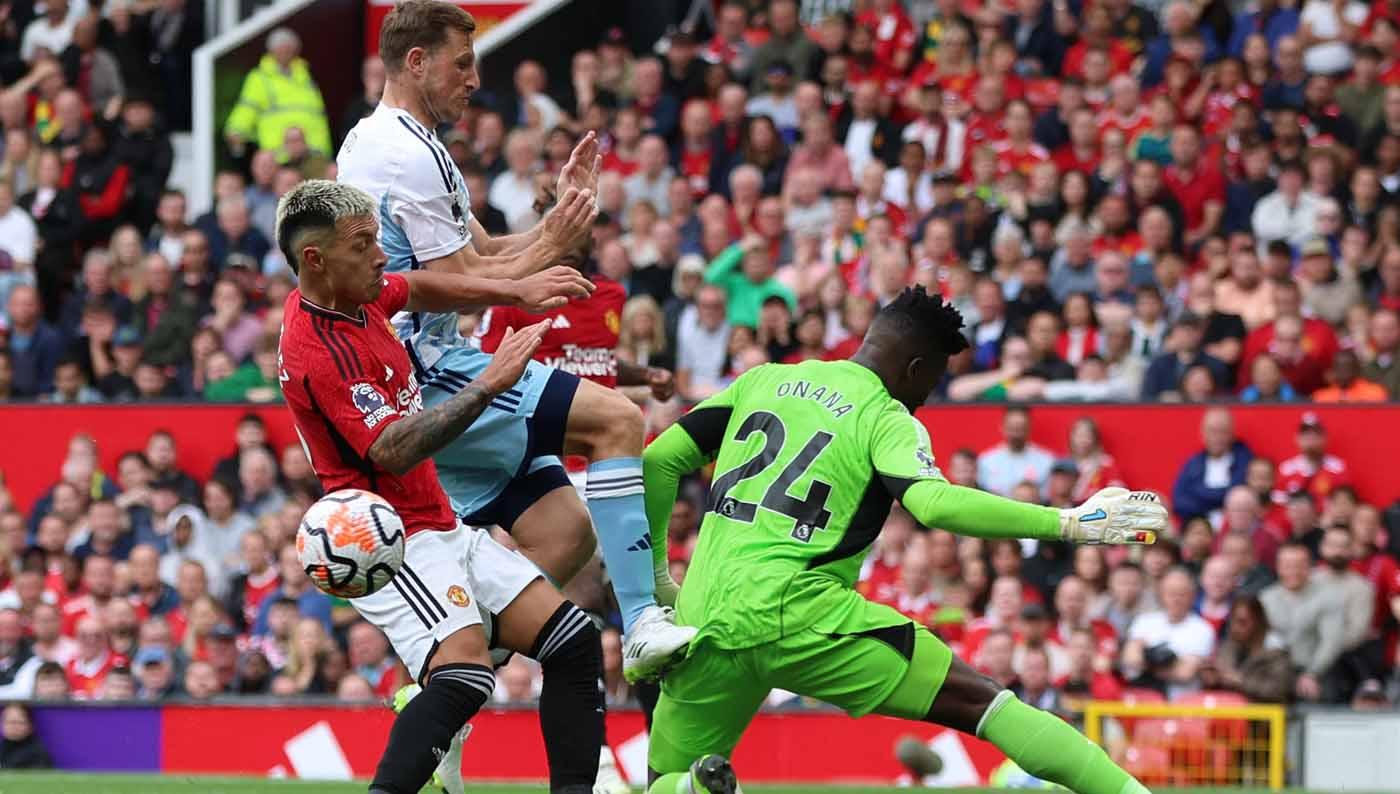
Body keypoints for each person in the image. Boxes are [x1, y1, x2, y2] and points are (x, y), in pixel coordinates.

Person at [638, 285, 1165, 794]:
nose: (926, 397)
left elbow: (661, 459)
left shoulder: (762, 380)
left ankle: (691, 787)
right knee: (985, 704)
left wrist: (660, 574)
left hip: (701, 618)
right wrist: (1070, 522)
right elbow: (933, 504)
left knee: (664, 779)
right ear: (917, 369)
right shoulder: (884, 415)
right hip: (801, 616)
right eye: (932, 382)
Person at [336, 1, 693, 686]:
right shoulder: (406, 154)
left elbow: (486, 253)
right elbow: (462, 280)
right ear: (417, 62)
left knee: (565, 531)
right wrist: (545, 255)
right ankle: (645, 620)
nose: (474, 80)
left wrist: (557, 222)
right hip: (426, 371)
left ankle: (450, 682)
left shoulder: (386, 141)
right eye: (462, 63)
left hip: (420, 365)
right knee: (620, 419)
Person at [275, 178, 612, 794]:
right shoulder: (320, 350)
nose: (381, 255)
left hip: (439, 522)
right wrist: (487, 384)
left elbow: (419, 285)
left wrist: (515, 289)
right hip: (387, 543)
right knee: (465, 679)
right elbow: (393, 449)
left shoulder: (357, 295)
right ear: (314, 261)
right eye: (363, 245)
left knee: (574, 643)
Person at [223, 28, 332, 162]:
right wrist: (236, 130)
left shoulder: (306, 76)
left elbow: (317, 115)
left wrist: (325, 151)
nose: (285, 52)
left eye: (289, 47)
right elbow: (247, 107)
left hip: (314, 154)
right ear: (271, 51)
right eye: (281, 47)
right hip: (279, 156)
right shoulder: (260, 77)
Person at [0, 703, 51, 768]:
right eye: (9, 722)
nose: (13, 726)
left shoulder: (37, 755)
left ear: (30, 726)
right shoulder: (2, 748)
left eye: (19, 722)